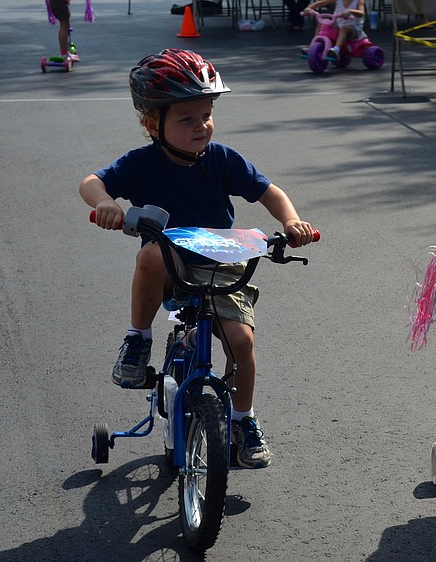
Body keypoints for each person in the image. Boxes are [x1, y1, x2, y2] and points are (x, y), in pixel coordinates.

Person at [79, 49, 316, 469]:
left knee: (241, 343)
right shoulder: (142, 164)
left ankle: (243, 421)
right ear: (154, 125)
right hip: (170, 260)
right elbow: (92, 183)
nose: (201, 126)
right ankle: (137, 340)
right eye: (186, 119)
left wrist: (292, 221)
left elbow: (269, 193)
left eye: (206, 115)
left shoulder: (222, 159)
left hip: (221, 259)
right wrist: (106, 204)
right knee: (151, 252)